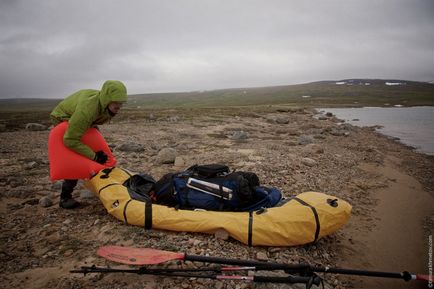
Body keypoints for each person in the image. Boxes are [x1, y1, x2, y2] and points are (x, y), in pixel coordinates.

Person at [50, 80, 128, 209]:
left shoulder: (104, 104)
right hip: (63, 119)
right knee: (75, 157)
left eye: (121, 103)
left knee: (97, 152)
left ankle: (103, 186)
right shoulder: (88, 109)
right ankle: (65, 197)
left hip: (85, 120)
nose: (118, 106)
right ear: (107, 99)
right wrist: (94, 156)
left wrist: (96, 154)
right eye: (116, 102)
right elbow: (70, 140)